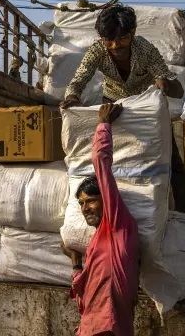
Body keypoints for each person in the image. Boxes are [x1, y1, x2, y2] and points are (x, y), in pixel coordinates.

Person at [60, 4, 185, 213]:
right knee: (113, 160)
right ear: (102, 38)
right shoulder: (97, 51)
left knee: (171, 161)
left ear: (132, 33)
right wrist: (72, 96)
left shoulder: (145, 49)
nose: (115, 45)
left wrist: (164, 84)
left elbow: (170, 82)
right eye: (109, 40)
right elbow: (79, 78)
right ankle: (116, 209)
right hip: (114, 111)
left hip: (145, 111)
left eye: (122, 38)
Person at [62, 103, 140, 336]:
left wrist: (103, 124)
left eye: (91, 200)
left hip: (109, 327)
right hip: (90, 327)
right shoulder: (97, 241)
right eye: (82, 204)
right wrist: (76, 263)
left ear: (106, 199)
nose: (86, 208)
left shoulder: (118, 225)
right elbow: (87, 289)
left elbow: (101, 163)